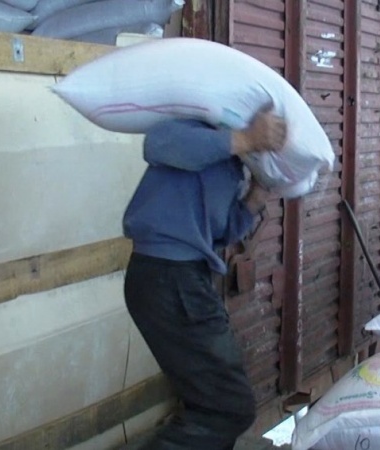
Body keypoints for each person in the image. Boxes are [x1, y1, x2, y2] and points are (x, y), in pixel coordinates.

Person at [122, 106, 287, 449]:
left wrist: (257, 195)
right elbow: (157, 144)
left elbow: (218, 233)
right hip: (167, 277)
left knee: (216, 405)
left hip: (185, 278)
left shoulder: (232, 165)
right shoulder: (190, 129)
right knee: (227, 409)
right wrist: (246, 139)